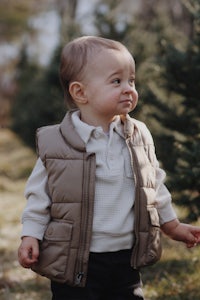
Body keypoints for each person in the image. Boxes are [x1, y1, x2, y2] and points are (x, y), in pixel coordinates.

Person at [18, 36, 200, 300]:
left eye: (132, 80)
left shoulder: (138, 135)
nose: (128, 88)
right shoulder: (56, 144)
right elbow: (38, 198)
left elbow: (154, 184)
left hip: (126, 258)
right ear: (80, 92)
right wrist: (30, 236)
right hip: (76, 260)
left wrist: (172, 226)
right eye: (116, 81)